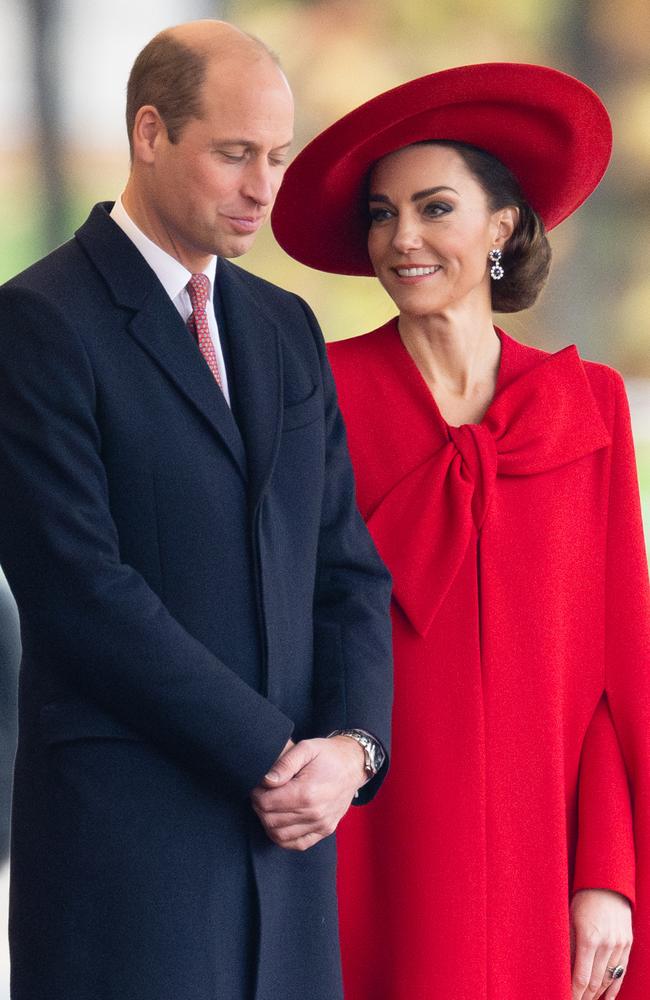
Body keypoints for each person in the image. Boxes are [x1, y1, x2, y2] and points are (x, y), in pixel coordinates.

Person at [0, 20, 393, 1000]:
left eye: (277, 155)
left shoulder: (286, 327)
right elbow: (81, 592)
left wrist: (351, 749)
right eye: (234, 153)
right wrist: (272, 754)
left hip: (292, 866)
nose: (263, 184)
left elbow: (345, 570)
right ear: (149, 132)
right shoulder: (38, 322)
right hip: (131, 865)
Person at [272, 63, 650, 1000]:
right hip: (373, 850)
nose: (402, 238)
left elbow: (619, 669)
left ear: (502, 227)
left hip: (542, 868)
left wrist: (605, 871)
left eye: (435, 208)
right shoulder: (317, 395)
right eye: (381, 213)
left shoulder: (588, 405)